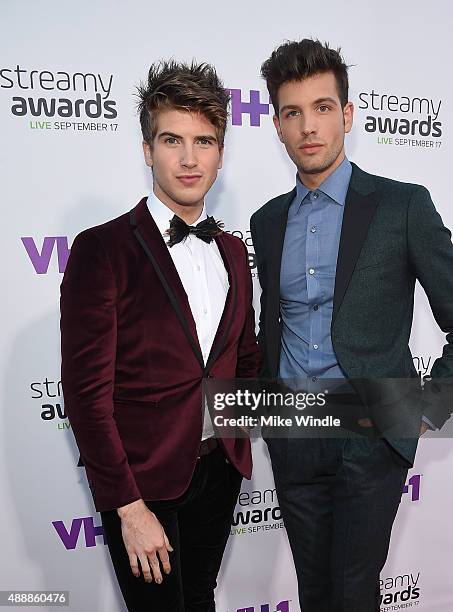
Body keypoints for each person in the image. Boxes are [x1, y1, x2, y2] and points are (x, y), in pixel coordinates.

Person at [250, 39, 453, 611]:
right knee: (314, 595)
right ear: (278, 125)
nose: (308, 126)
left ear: (348, 114)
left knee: (354, 595)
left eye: (321, 107)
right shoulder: (266, 221)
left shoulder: (402, 206)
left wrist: (426, 405)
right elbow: (271, 324)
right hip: (293, 434)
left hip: (369, 435)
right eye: (293, 112)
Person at [60, 60, 261, 612]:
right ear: (148, 149)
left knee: (199, 601)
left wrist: (236, 440)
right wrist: (127, 507)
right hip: (142, 485)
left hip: (220, 472)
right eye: (173, 140)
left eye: (205, 141)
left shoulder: (234, 252)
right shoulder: (102, 250)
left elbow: (244, 357)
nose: (190, 158)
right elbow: (85, 395)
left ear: (221, 152)